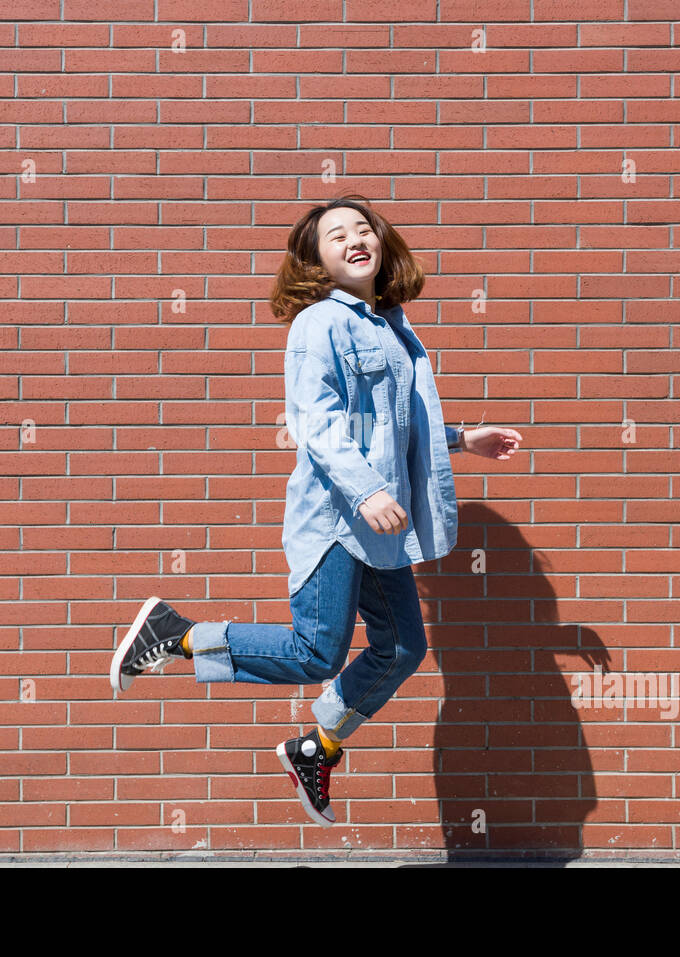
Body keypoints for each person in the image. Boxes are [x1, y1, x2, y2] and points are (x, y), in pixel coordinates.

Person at [110, 195, 522, 827]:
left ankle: (316, 747)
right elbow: (319, 424)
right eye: (337, 237)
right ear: (316, 261)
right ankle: (176, 634)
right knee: (316, 652)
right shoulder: (319, 324)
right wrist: (366, 491)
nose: (356, 241)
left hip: (379, 527)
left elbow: (393, 426)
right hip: (337, 517)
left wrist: (462, 439)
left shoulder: (390, 322)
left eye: (364, 230)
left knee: (403, 648)